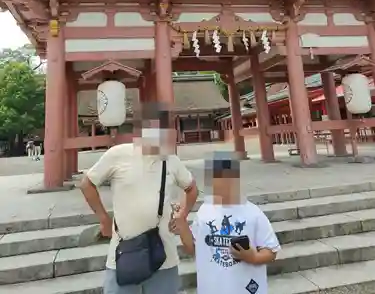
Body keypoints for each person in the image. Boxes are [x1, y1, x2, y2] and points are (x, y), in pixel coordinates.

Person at [80, 104, 199, 294]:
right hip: (125, 254)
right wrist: (104, 219)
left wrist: (182, 215)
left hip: (163, 255)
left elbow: (191, 188)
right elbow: (87, 184)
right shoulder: (118, 154)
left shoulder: (171, 161)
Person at [170, 152, 280, 294]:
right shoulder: (204, 211)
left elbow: (271, 251)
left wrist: (253, 257)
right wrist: (182, 223)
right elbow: (193, 249)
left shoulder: (253, 213)